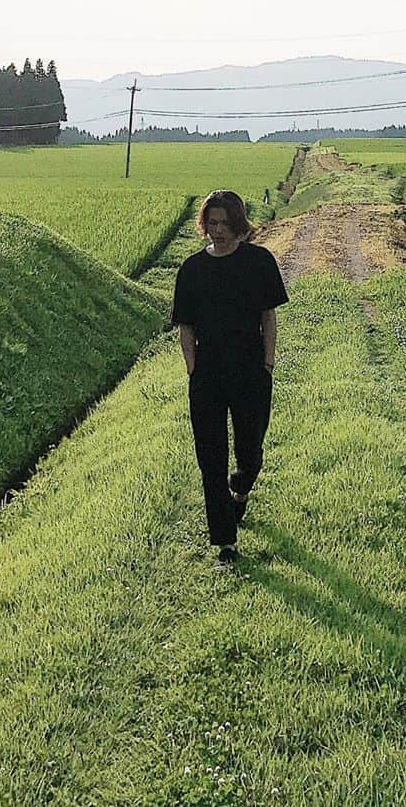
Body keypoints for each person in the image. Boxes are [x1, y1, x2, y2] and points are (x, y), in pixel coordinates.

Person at [171, 189, 289, 565]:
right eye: (211, 223)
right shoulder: (191, 269)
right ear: (204, 225)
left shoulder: (259, 262)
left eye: (224, 223)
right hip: (207, 376)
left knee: (250, 452)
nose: (217, 231)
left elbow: (268, 317)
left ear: (239, 225)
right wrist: (192, 369)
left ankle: (240, 489)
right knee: (210, 457)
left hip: (251, 372)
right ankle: (225, 540)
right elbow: (185, 326)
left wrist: (267, 365)